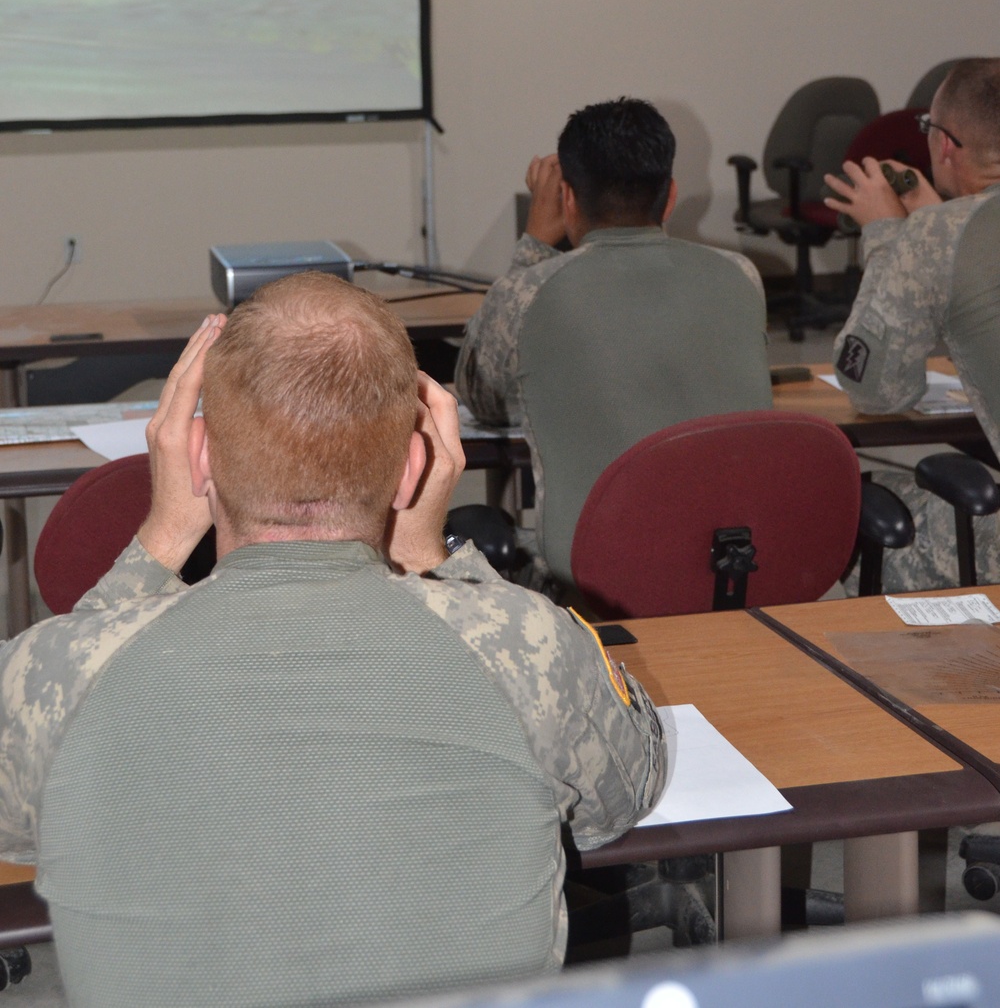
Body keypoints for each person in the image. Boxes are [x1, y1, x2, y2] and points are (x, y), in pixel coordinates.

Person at [0, 274, 666, 1002]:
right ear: (415, 468)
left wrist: (158, 542)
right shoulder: (526, 649)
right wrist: (431, 558)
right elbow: (625, 794)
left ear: (194, 460)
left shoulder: (51, 677)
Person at [455, 97, 772, 583]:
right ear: (670, 197)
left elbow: (484, 400)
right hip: (728, 566)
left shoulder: (527, 291)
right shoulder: (741, 276)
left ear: (567, 199)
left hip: (591, 579)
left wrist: (535, 245)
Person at [824, 57, 1000, 587]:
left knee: (830, 508)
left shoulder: (936, 238)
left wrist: (889, 237)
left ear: (944, 144)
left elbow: (877, 392)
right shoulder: (942, 231)